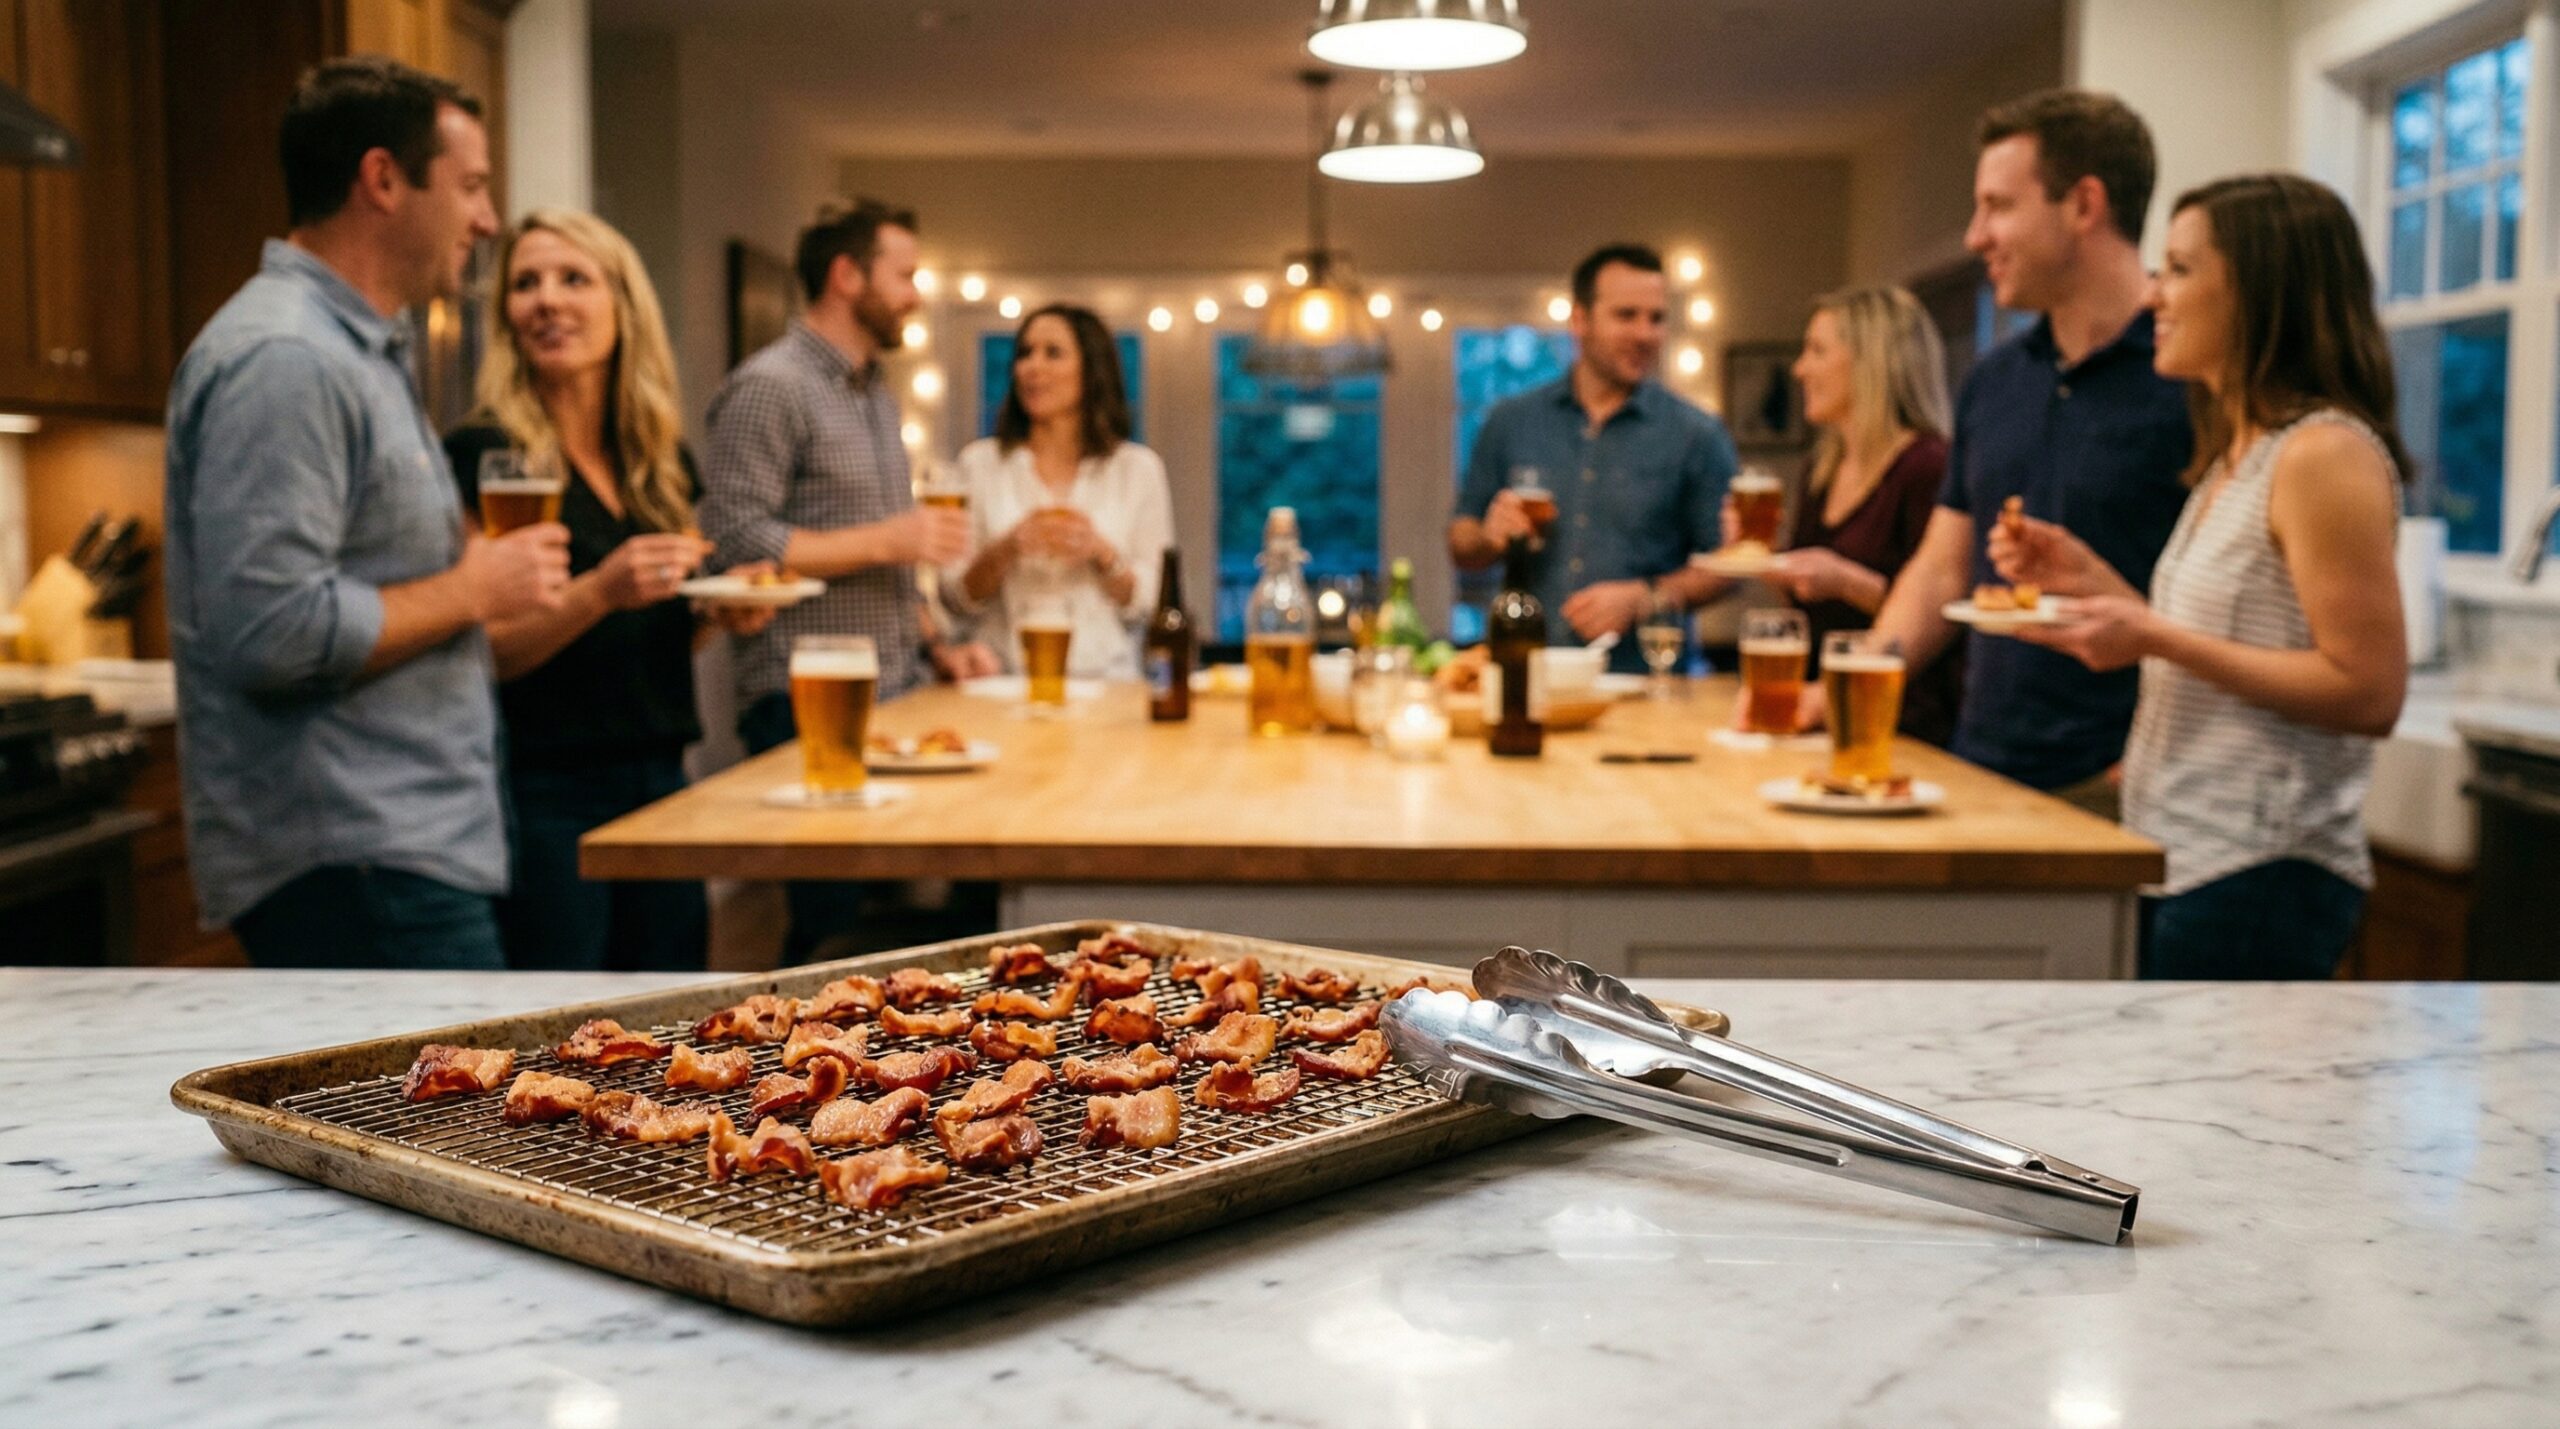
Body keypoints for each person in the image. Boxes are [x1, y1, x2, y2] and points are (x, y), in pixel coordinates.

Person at [163, 57, 564, 969]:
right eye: (469, 186)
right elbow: (271, 630)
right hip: (355, 860)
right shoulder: (287, 359)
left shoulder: (360, 351)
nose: (488, 219)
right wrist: (475, 587)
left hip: (400, 850)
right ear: (383, 180)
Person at [1994, 174, 2408, 979]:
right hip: (2189, 853)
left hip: (2261, 870)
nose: (2154, 297)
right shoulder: (2240, 454)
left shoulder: (2324, 454)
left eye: (2180, 270)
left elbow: (2369, 689)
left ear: (2260, 292)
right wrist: (2094, 583)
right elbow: (2218, 639)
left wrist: (2150, 632)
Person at [444, 210, 776, 972]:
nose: (547, 300)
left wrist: (717, 611)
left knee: (670, 1016)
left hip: (663, 781)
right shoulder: (486, 454)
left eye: (573, 278)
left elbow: (658, 627)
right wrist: (599, 589)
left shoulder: (657, 459)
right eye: (525, 283)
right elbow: (485, 649)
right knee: (561, 1029)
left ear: (623, 306)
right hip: (547, 793)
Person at [1848, 90, 2194, 817]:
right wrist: (1858, 679)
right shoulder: (1995, 377)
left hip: (2124, 782)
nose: (1976, 236)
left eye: (1998, 206)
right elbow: (1945, 563)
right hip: (1981, 766)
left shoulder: (2193, 375)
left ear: (2084, 204)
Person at [697, 198, 994, 964]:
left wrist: (940, 645)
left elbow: (891, 554)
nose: (915, 294)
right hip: (800, 697)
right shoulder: (772, 386)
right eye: (904, 275)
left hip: (891, 687)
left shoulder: (872, 390)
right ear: (844, 274)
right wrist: (886, 538)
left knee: (897, 930)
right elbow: (735, 541)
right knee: (829, 935)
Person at [1448, 243, 1737, 669]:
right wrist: (1488, 536)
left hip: (1644, 682)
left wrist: (1645, 597)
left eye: (1656, 319)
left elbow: (1731, 565)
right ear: (1579, 320)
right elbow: (1461, 543)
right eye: (1626, 315)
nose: (1645, 334)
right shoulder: (1511, 421)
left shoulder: (1698, 434)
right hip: (1527, 673)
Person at [1738, 286, 1961, 743]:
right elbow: (1807, 614)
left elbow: (1943, 609)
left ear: (1871, 362)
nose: (1799, 369)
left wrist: (1844, 580)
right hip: (1830, 712)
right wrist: (1765, 562)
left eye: (1817, 351)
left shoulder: (1928, 465)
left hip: (1907, 724)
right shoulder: (1821, 468)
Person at [945, 304, 1174, 679]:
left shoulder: (1138, 469)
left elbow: (1153, 602)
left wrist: (1102, 555)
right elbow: (954, 598)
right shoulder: (978, 463)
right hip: (1001, 681)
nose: (1031, 367)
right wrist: (1007, 548)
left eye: (1053, 353)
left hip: (1107, 684)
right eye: (1024, 353)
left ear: (1092, 370)